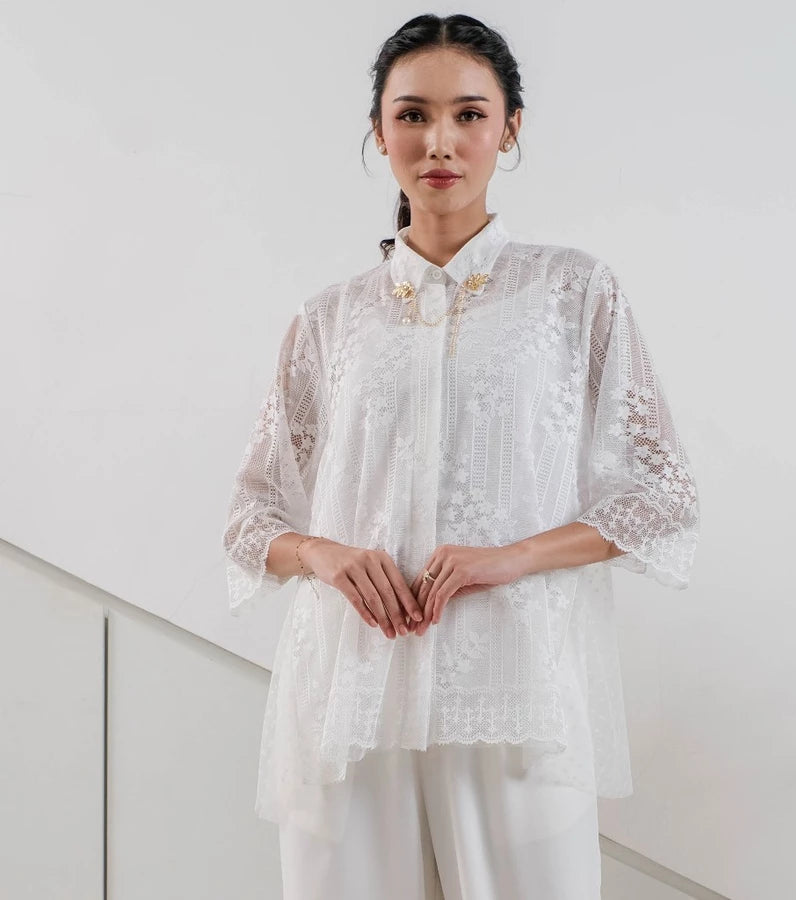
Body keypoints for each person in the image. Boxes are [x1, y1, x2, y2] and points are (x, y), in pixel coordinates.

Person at [222, 13, 700, 900]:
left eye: (470, 115)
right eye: (411, 115)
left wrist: (510, 557)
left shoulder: (572, 291)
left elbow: (661, 497)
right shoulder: (332, 318)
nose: (439, 141)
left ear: (510, 127)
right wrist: (324, 554)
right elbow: (253, 515)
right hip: (348, 695)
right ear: (378, 131)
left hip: (513, 685)